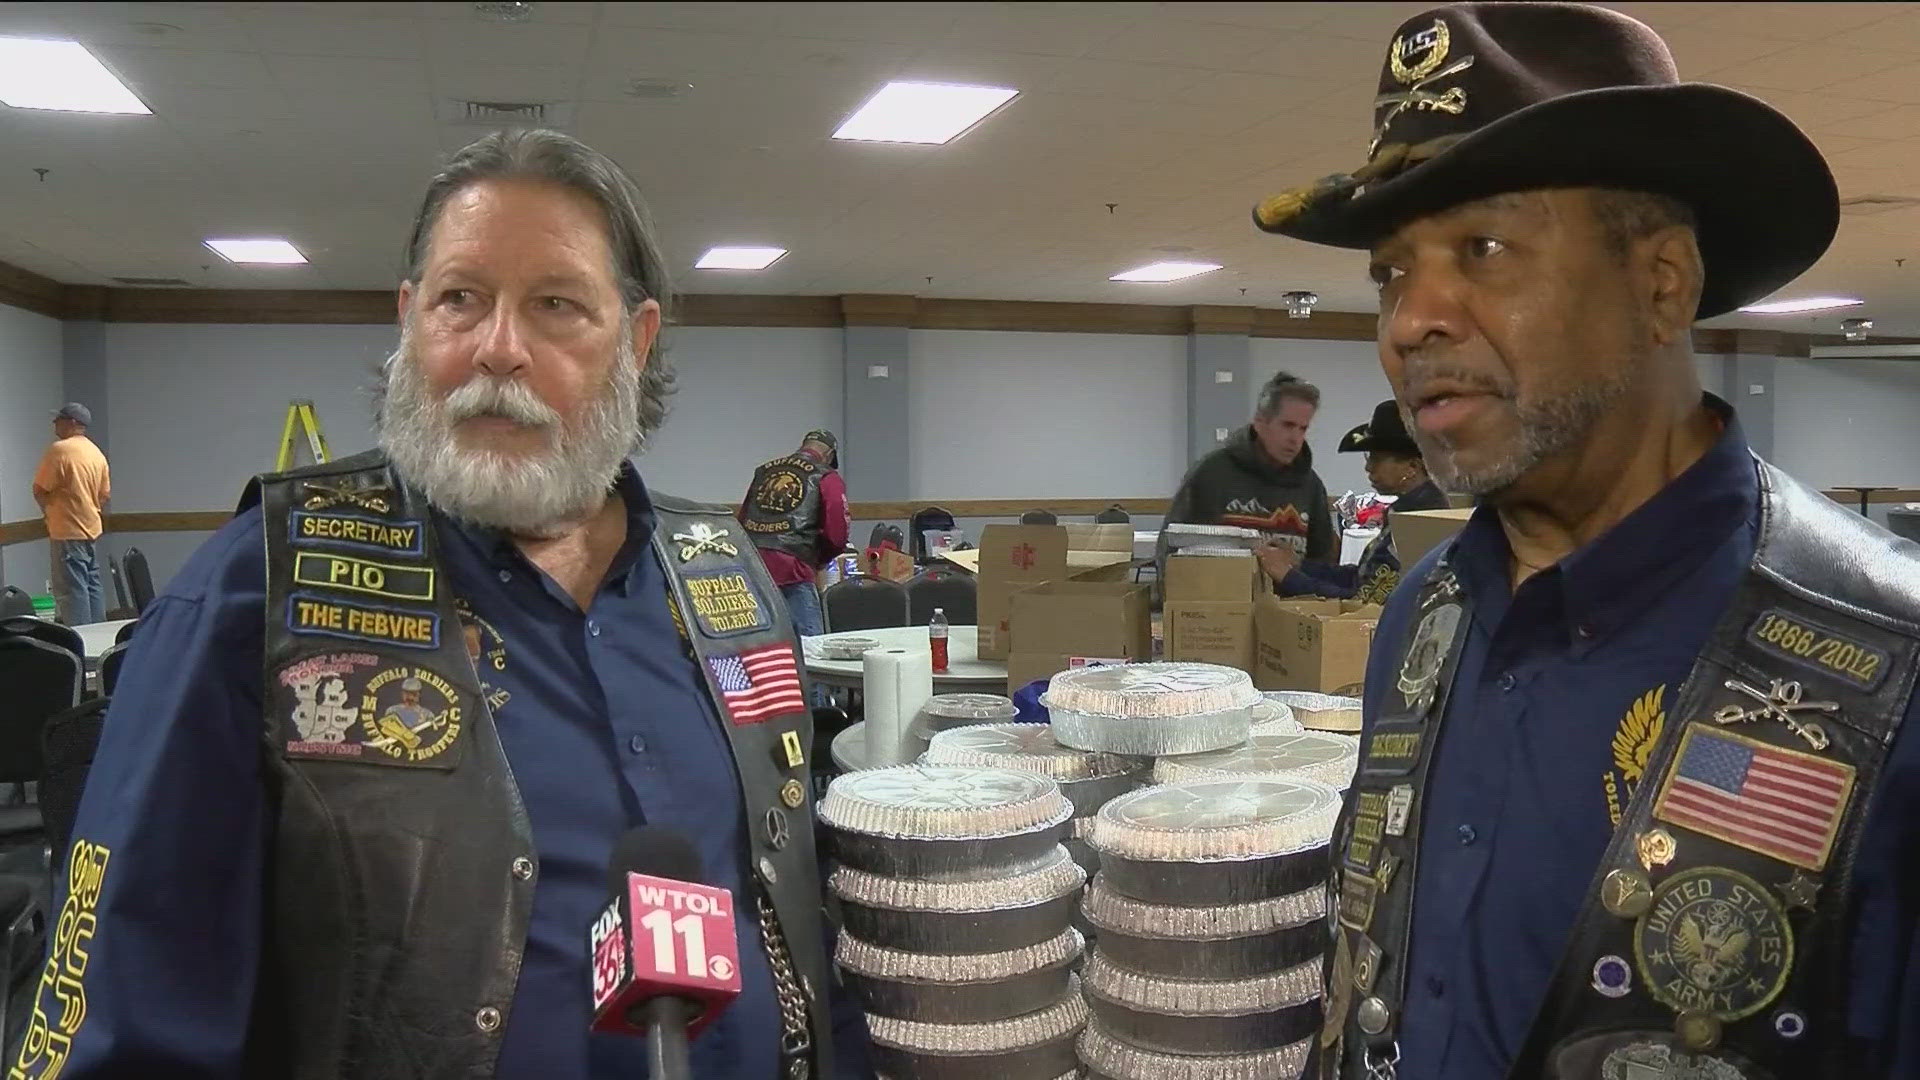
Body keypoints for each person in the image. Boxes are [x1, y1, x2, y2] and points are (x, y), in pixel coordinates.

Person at [12, 129, 871, 1080]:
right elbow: (124, 1028)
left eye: (555, 305)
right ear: (409, 320)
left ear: (635, 340)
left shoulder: (728, 581)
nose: (499, 348)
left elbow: (790, 902)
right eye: (461, 299)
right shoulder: (254, 594)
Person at [1251, 4, 1920, 1078]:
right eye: (1389, 272)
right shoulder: (1424, 612)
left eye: (1484, 248)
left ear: (1662, 284)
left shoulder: (1892, 669)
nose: (1409, 321)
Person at [1267, 399, 1449, 602]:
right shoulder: (1409, 511)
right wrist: (1300, 565)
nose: (1368, 468)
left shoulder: (1419, 522)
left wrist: (1290, 578)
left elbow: (1366, 600)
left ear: (1412, 467)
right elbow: (1360, 578)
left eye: (1377, 458)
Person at [1166, 370, 1336, 573]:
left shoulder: (1311, 486)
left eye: (1303, 429)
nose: (1295, 438)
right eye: (1288, 425)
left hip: (1293, 603)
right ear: (1260, 422)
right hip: (1221, 599)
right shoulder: (1212, 473)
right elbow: (1171, 549)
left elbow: (1323, 563)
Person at [740, 430, 849, 639]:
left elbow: (743, 520)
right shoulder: (826, 476)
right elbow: (837, 533)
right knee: (811, 650)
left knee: (759, 645)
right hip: (795, 569)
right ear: (830, 455)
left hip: (753, 567)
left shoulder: (764, 471)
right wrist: (818, 561)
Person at [31, 402, 111, 625]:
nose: (54, 423)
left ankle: (80, 642)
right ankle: (99, 636)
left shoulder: (60, 450)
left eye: (59, 419)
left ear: (72, 423)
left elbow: (40, 488)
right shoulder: (96, 453)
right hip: (91, 527)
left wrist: (49, 512)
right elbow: (104, 495)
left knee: (70, 589)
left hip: (67, 528)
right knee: (92, 583)